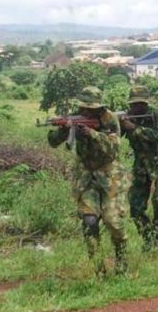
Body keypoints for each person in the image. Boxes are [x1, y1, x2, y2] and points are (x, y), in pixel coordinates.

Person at [47, 86, 129, 276]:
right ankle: (97, 266)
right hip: (86, 176)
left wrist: (92, 134)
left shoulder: (109, 119)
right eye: (83, 108)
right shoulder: (74, 118)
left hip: (110, 175)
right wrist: (63, 131)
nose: (85, 111)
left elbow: (114, 149)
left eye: (90, 109)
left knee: (113, 222)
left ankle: (122, 261)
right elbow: (53, 142)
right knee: (89, 220)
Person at [120, 86, 158, 252]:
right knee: (135, 206)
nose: (137, 107)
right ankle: (148, 237)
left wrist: (134, 128)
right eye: (134, 104)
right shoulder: (127, 116)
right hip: (141, 166)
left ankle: (156, 235)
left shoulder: (156, 115)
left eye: (140, 104)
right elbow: (112, 135)